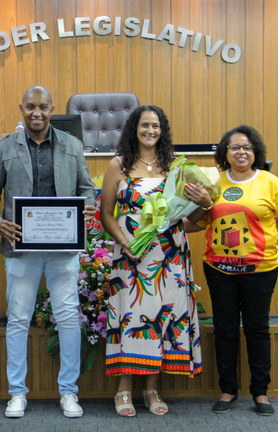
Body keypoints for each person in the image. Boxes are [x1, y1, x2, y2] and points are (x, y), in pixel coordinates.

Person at [0, 85, 97, 419]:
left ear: (52, 108)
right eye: (30, 107)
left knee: (68, 318)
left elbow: (86, 188)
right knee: (18, 319)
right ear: (21, 108)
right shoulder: (4, 147)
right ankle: (17, 393)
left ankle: (69, 392)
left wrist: (88, 206)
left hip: (64, 249)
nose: (36, 113)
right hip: (21, 248)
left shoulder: (72, 145)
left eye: (43, 107)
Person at [100, 105, 210, 417]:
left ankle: (151, 389)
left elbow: (191, 220)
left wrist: (205, 203)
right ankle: (123, 390)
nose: (151, 131)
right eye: (145, 125)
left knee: (161, 319)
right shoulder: (118, 166)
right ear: (134, 128)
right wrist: (124, 242)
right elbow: (106, 213)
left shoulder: (175, 167)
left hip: (169, 256)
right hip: (131, 255)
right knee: (131, 318)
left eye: (157, 126)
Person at [200, 125, 278, 416]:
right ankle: (228, 389)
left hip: (261, 269)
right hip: (218, 269)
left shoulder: (270, 182)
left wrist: (259, 242)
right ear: (225, 153)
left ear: (255, 152)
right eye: (234, 147)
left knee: (257, 329)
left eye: (247, 147)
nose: (241, 152)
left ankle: (260, 391)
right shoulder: (212, 182)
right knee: (225, 330)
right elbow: (200, 220)